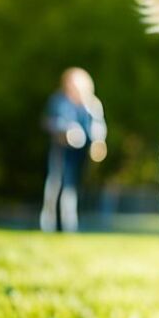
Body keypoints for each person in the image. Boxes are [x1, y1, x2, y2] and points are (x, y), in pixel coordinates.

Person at [40, 68, 107, 233]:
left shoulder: (92, 104)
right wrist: (64, 131)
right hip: (61, 151)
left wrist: (98, 143)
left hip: (80, 154)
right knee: (54, 185)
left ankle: (69, 225)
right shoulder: (58, 100)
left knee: (71, 188)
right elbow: (47, 122)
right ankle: (48, 224)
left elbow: (98, 128)